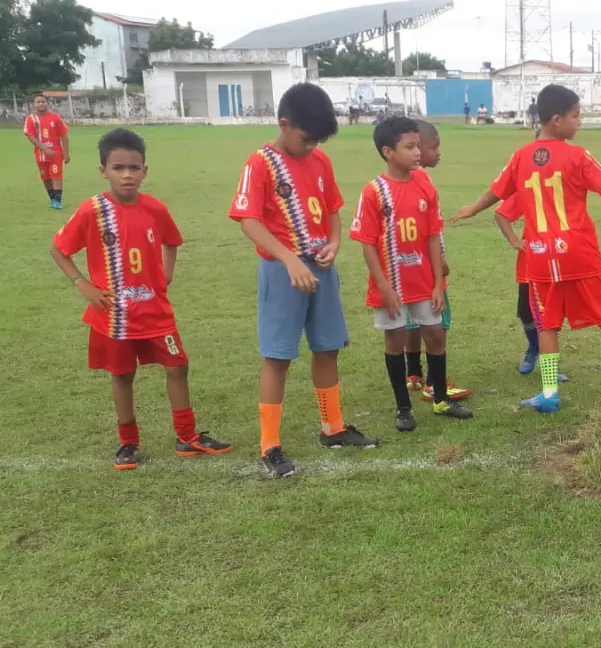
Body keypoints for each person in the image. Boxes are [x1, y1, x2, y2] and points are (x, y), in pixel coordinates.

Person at [453, 84, 601, 413]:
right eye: (575, 115)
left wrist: (473, 208)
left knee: (546, 324)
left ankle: (550, 393)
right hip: (578, 251)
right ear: (556, 120)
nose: (579, 122)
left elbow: (495, 193)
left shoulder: (520, 156)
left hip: (539, 255)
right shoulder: (577, 155)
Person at [49, 129, 231, 470]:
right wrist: (82, 285)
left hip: (155, 311)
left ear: (145, 170)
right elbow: (58, 249)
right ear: (103, 170)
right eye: (118, 168)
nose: (127, 175)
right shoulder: (93, 210)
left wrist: (165, 275)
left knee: (178, 365)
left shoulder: (154, 208)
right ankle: (128, 443)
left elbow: (172, 241)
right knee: (122, 375)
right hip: (113, 315)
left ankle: (186, 436)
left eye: (134, 168)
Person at [228, 82, 377, 479]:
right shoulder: (260, 163)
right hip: (283, 272)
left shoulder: (321, 162)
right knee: (278, 356)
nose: (311, 147)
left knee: (328, 349)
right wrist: (289, 259)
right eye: (306, 138)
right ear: (285, 124)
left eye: (319, 141)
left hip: (321, 269)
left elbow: (332, 211)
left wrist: (333, 243)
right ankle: (270, 445)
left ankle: (333, 427)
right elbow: (248, 220)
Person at [350, 116, 473, 431]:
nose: (418, 152)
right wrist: (384, 287)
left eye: (419, 145)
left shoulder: (423, 185)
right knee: (396, 339)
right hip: (392, 285)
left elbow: (433, 236)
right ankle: (403, 408)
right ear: (388, 151)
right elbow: (367, 244)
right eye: (410, 147)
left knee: (434, 334)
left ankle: (441, 399)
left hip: (423, 282)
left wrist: (436, 283)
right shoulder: (374, 191)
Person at [396, 119, 471, 404]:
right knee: (436, 321)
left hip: (408, 264)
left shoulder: (404, 179)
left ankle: (413, 373)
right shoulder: (422, 179)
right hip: (427, 266)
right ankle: (434, 382)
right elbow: (430, 228)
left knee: (412, 320)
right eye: (433, 147)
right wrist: (439, 261)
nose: (438, 152)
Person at [493, 195, 569, 382]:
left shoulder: (566, 188)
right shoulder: (529, 188)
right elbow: (501, 213)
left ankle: (549, 363)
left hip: (560, 257)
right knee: (525, 312)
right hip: (532, 258)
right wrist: (514, 240)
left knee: (551, 314)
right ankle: (534, 347)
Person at [24, 94, 70, 209]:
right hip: (40, 154)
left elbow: (64, 136)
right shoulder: (31, 118)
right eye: (38, 102)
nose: (41, 104)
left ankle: (58, 201)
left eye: (43, 101)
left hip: (55, 153)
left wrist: (66, 152)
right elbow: (30, 136)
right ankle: (52, 199)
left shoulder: (55, 117)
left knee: (56, 175)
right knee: (45, 177)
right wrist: (44, 148)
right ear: (34, 104)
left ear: (47, 103)